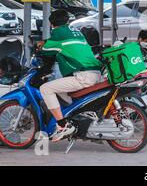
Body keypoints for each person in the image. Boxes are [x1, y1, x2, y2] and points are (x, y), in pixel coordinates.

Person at [39, 9, 103, 142]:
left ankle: (62, 125)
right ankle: (74, 118)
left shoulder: (58, 33)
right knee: (62, 89)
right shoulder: (76, 31)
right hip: (95, 73)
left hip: (83, 76)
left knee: (46, 88)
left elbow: (46, 50)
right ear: (67, 21)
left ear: (51, 24)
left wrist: (38, 45)